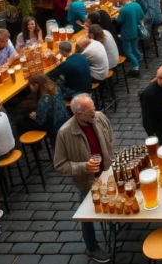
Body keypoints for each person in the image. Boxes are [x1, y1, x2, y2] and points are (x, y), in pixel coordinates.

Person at [53, 94, 112, 263]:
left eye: (93, 108)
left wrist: (109, 164)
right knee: (86, 215)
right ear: (77, 115)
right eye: (89, 112)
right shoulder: (65, 133)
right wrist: (84, 167)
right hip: (87, 182)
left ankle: (114, 227)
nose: (94, 113)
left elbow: (110, 140)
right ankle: (92, 247)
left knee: (116, 201)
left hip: (107, 173)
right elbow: (59, 165)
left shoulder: (99, 117)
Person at [115, 0, 144, 75]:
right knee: (134, 48)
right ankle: (139, 57)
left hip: (127, 33)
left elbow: (119, 21)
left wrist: (116, 17)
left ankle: (136, 67)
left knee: (127, 51)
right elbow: (141, 16)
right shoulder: (136, 5)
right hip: (136, 31)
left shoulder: (123, 10)